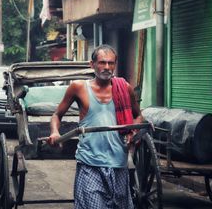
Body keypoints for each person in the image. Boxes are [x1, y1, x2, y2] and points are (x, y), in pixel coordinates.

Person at [48, 44, 143, 209]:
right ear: (92, 65)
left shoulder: (124, 88)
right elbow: (57, 115)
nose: (107, 67)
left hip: (118, 162)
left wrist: (134, 130)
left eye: (111, 63)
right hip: (90, 162)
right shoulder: (78, 88)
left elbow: (138, 115)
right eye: (102, 62)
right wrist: (55, 132)